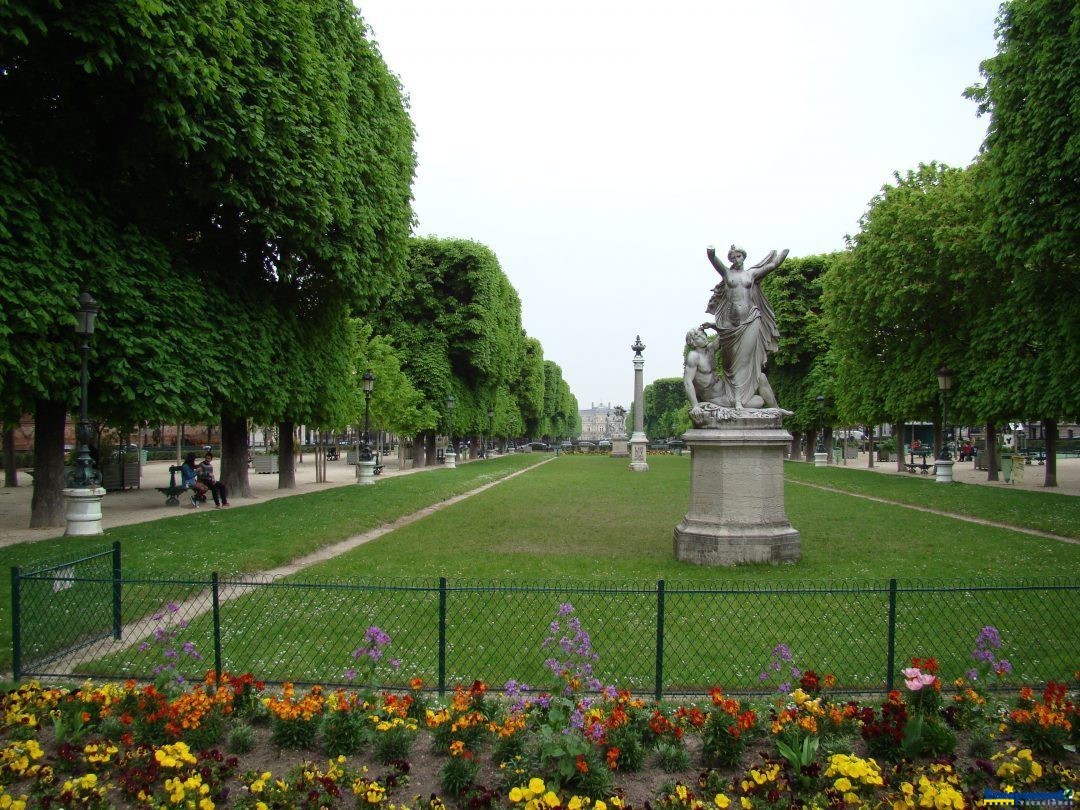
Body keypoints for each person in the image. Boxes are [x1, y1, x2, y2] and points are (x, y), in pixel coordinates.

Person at [705, 244, 787, 409]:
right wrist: (711, 252)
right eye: (732, 257)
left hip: (751, 319)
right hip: (731, 325)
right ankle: (738, 396)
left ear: (744, 257)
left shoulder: (751, 274)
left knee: (744, 360)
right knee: (730, 363)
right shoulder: (727, 273)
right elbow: (713, 259)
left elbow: (771, 266)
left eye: (738, 256)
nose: (736, 259)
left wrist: (782, 255)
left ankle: (738, 400)